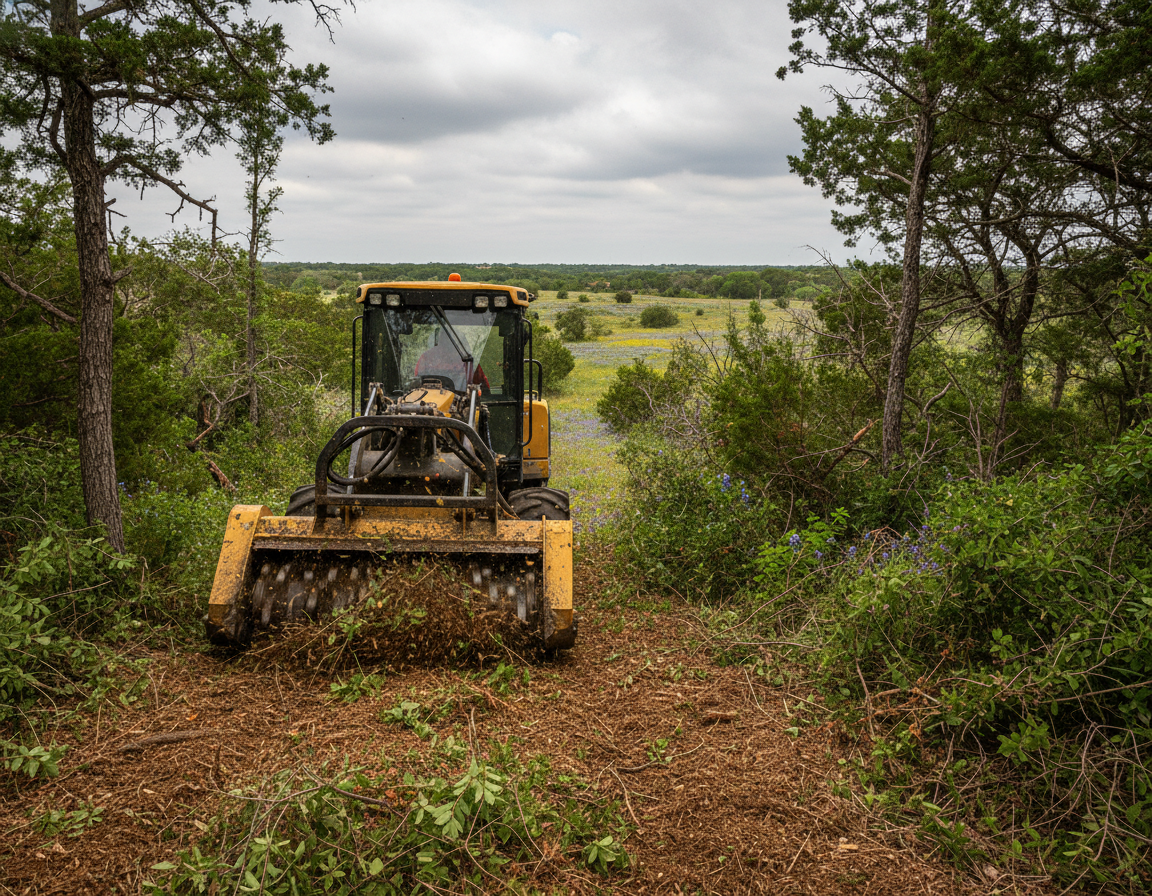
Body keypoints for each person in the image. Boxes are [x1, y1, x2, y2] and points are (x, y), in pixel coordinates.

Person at [414, 329, 490, 392]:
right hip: (430, 404)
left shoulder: (468, 361)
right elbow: (417, 385)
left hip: (463, 406)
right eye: (447, 340)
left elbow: (483, 390)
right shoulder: (427, 358)